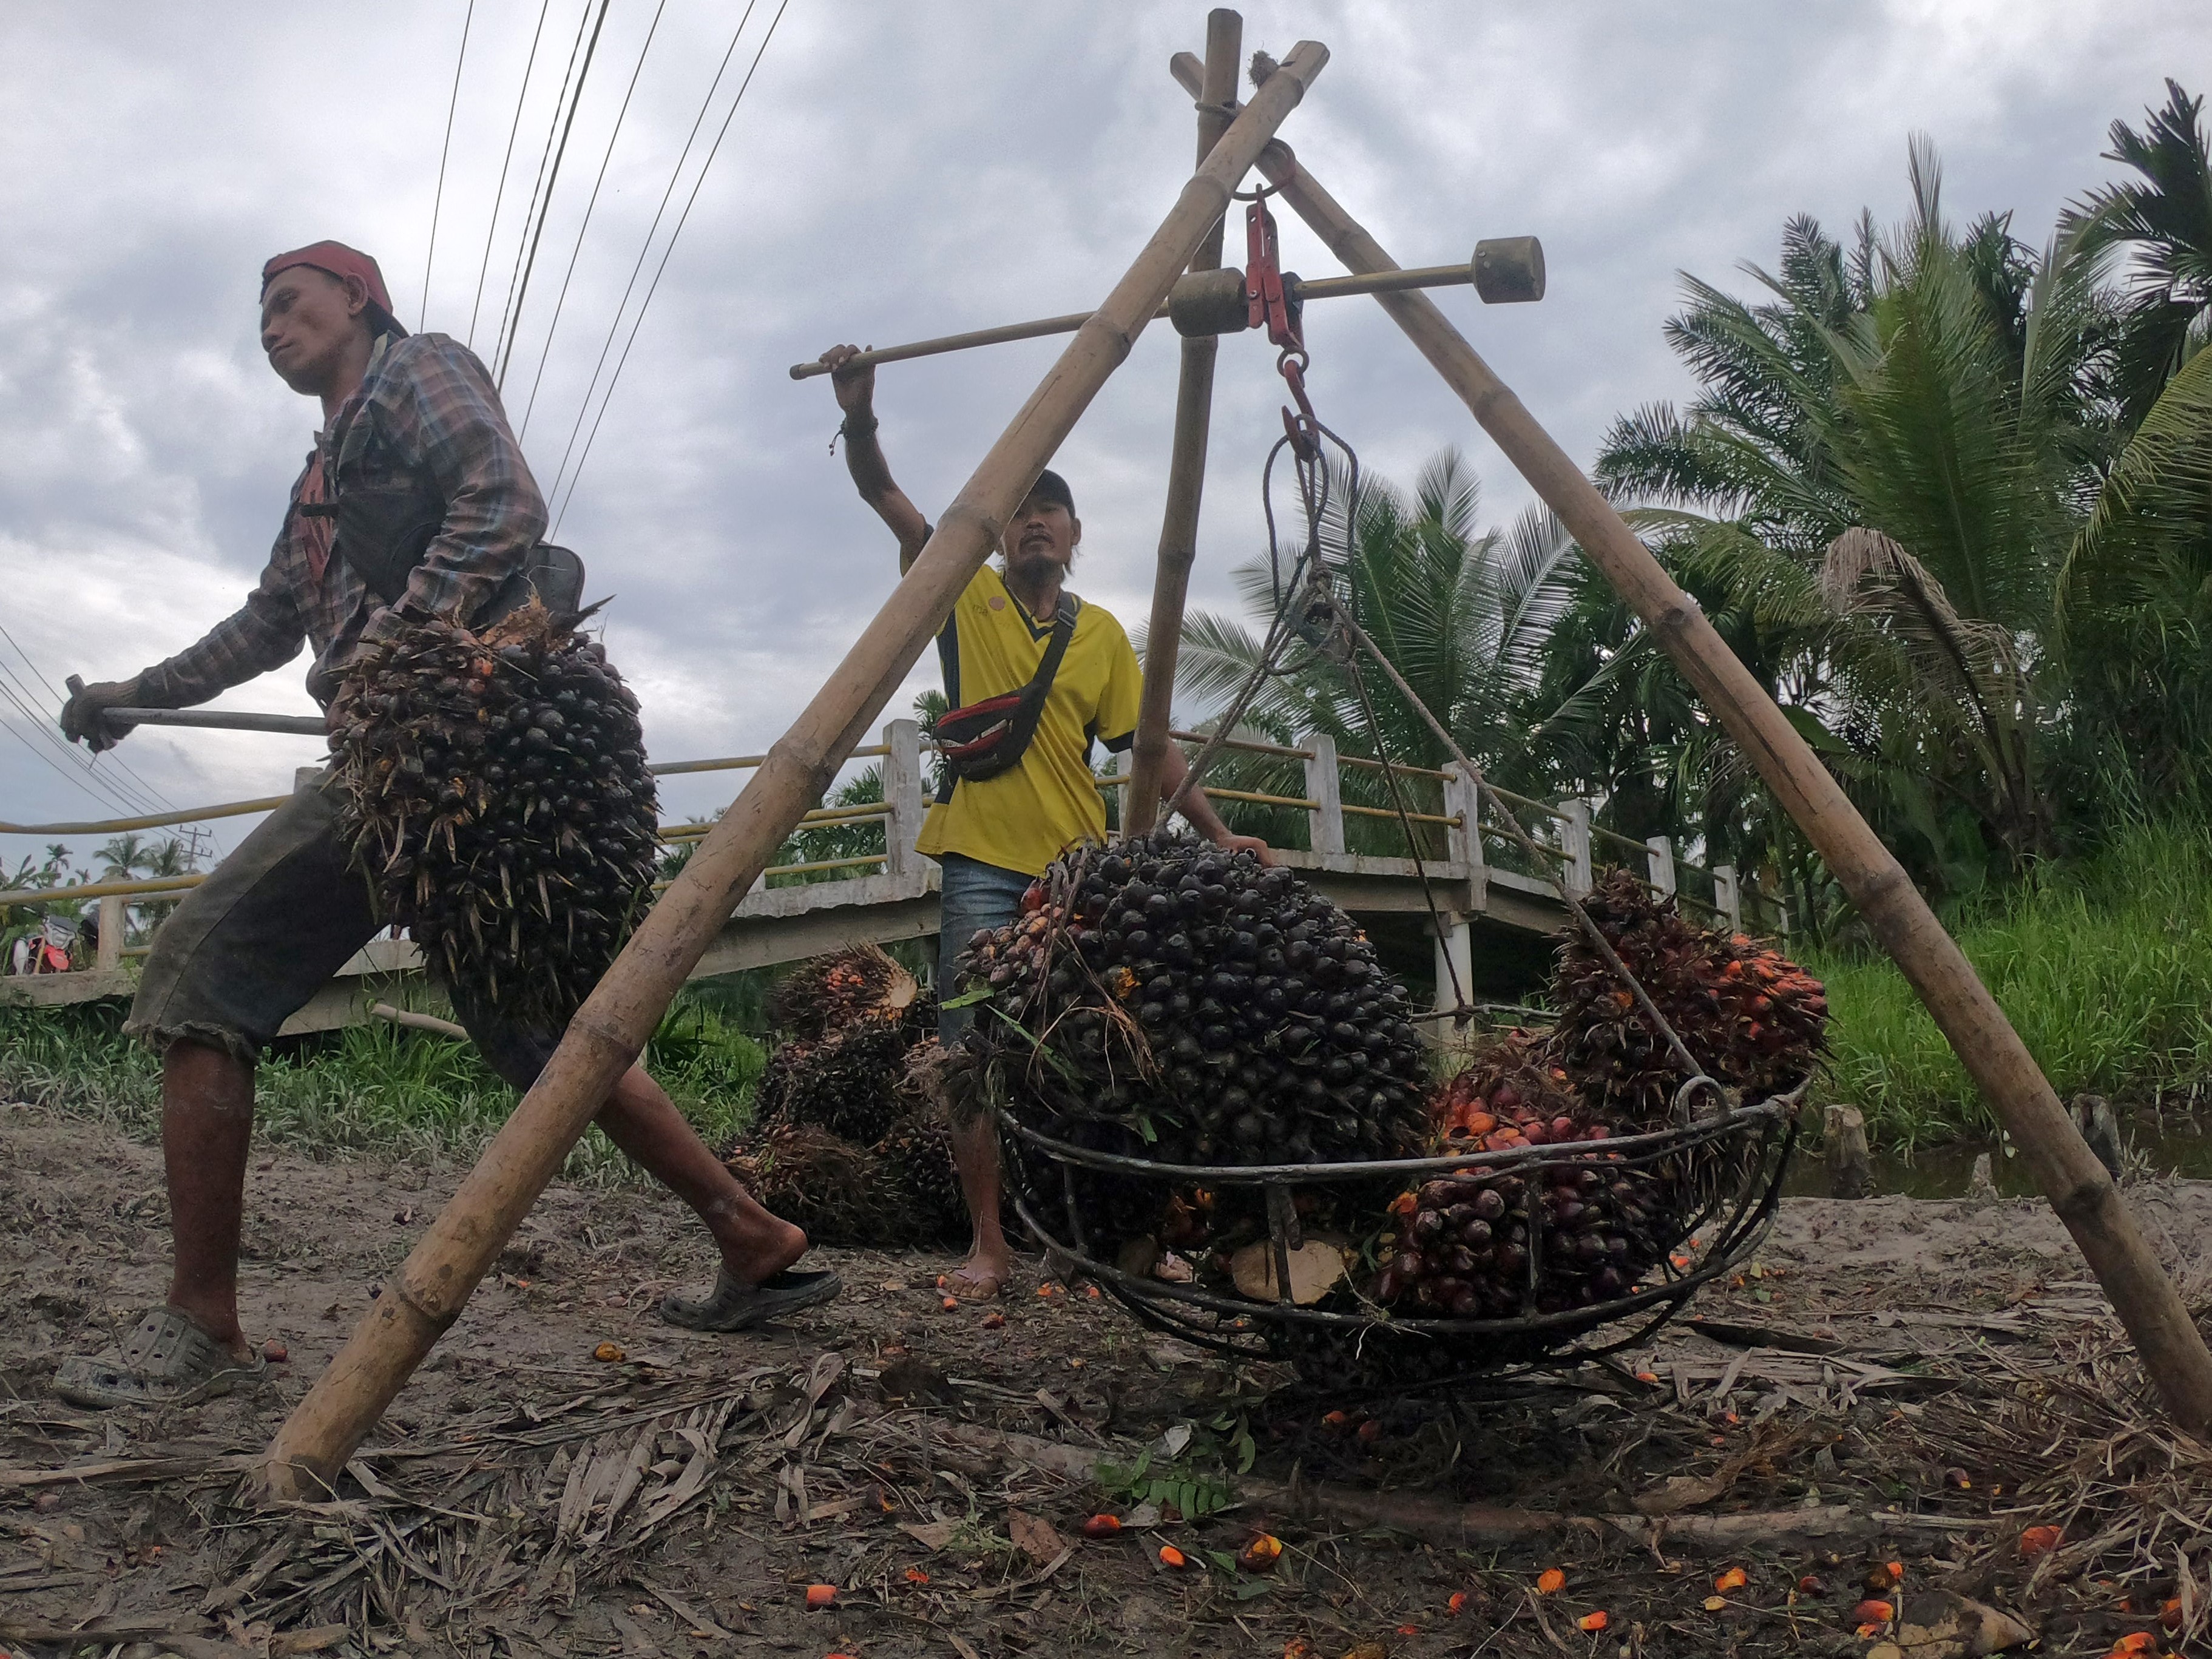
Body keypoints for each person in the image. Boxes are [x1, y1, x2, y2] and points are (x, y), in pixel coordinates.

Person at [50, 243, 838, 1408]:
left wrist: (398, 650)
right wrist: (131, 692)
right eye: (259, 315)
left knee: (200, 977)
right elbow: (265, 627)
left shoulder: (415, 371)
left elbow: (505, 497)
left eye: (289, 302)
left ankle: (200, 1324)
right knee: (536, 1032)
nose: (270, 326)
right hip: (414, 753)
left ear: (355, 299)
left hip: (433, 746)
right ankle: (751, 1234)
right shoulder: (320, 482)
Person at [817, 343, 1271, 1300]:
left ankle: (1096, 1232)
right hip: (980, 859)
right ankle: (990, 1242)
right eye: (1019, 509)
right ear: (1000, 529)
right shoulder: (963, 593)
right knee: (972, 1053)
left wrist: (1219, 835)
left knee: (1096, 1048)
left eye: (1049, 510)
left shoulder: (1101, 633)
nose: (1032, 522)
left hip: (1077, 872)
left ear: (1072, 534)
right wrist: (857, 414)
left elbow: (1148, 751)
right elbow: (882, 498)